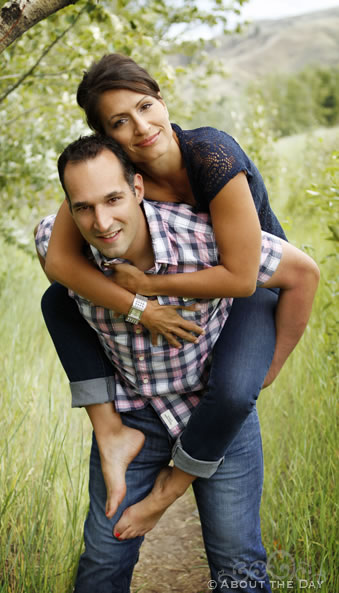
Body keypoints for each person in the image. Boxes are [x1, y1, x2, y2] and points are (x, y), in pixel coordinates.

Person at [40, 55, 318, 532]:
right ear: (107, 137)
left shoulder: (212, 157)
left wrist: (268, 368)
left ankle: (169, 490)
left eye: (146, 106)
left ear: (162, 99)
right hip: (188, 281)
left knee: (232, 390)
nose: (142, 127)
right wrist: (140, 309)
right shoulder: (117, 170)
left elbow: (240, 277)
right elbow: (60, 264)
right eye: (120, 122)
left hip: (255, 282)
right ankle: (112, 431)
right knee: (57, 301)